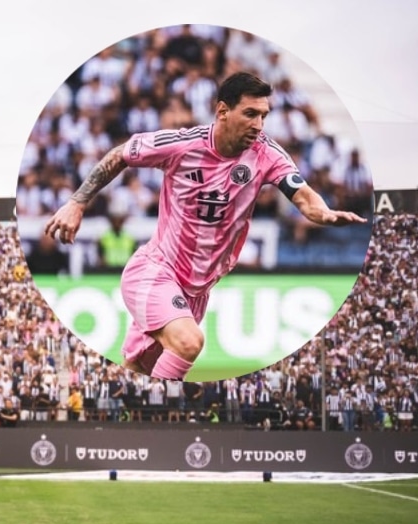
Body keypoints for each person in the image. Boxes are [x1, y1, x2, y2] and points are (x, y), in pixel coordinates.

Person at [44, 72, 365, 379]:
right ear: (222, 111)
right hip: (156, 272)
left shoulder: (266, 153)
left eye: (264, 116)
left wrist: (323, 214)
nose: (259, 125)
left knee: (139, 367)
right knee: (190, 342)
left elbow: (304, 195)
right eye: (250, 114)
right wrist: (77, 202)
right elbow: (120, 154)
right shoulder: (183, 144)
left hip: (197, 289)